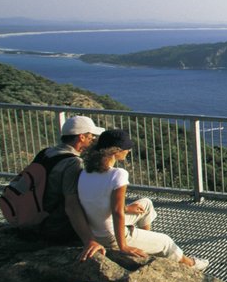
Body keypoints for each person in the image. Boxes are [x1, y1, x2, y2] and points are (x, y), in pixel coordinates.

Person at [76, 128, 208, 271]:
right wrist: (123, 246)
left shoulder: (85, 173)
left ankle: (149, 244)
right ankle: (191, 264)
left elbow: (98, 201)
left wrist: (127, 208)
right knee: (167, 242)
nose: (129, 151)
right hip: (110, 235)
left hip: (95, 229)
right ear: (116, 151)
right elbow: (117, 212)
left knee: (145, 204)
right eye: (126, 148)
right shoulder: (118, 174)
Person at [36, 115, 105, 257]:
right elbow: (71, 205)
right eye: (91, 136)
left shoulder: (46, 152)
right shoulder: (73, 163)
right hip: (52, 226)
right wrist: (89, 241)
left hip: (35, 217)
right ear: (81, 137)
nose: (93, 139)